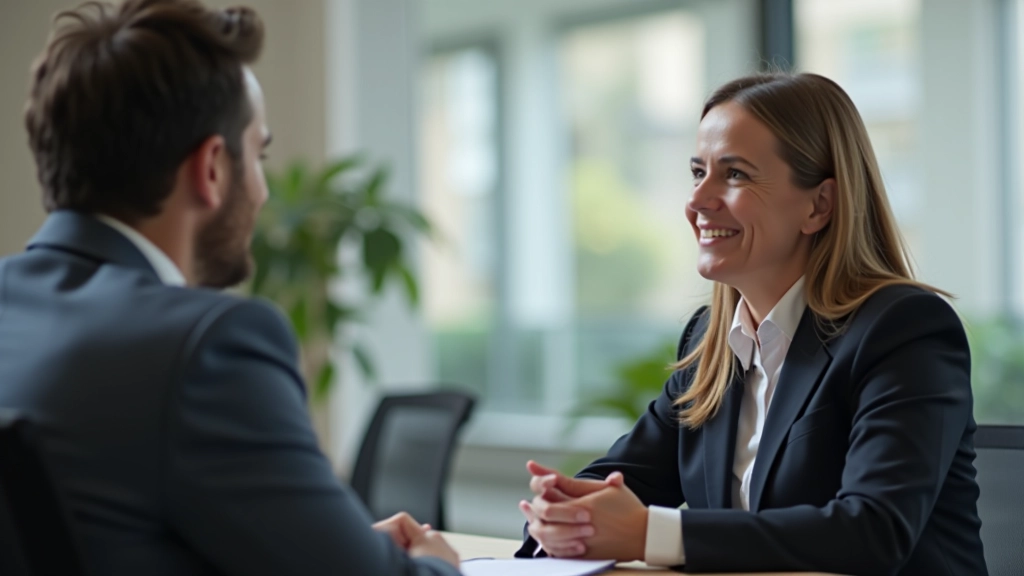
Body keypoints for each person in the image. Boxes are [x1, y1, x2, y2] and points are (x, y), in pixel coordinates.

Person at [0, 1, 459, 574]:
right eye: (258, 154)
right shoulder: (206, 347)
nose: (263, 190)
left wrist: (335, 542)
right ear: (213, 168)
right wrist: (439, 564)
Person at [516, 73, 988, 576]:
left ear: (818, 205)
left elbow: (873, 530)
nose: (698, 201)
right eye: (698, 172)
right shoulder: (713, 341)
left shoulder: (903, 330)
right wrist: (563, 513)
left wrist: (647, 533)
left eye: (735, 174)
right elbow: (620, 482)